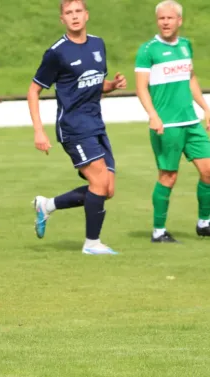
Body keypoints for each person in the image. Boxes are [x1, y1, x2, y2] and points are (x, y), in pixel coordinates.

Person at [27, 0, 127, 255]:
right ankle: (92, 244)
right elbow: (34, 90)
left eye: (78, 11)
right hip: (73, 127)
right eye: (68, 13)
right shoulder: (57, 52)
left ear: (86, 15)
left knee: (107, 189)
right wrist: (39, 131)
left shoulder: (97, 44)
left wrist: (112, 85)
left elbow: (93, 82)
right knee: (99, 181)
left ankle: (47, 206)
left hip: (96, 125)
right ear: (62, 19)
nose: (74, 16)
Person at [135, 0, 210, 243]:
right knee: (168, 177)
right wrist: (153, 115)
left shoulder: (186, 46)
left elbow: (191, 79)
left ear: (179, 21)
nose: (165, 22)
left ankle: (204, 223)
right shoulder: (148, 50)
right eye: (161, 18)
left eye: (170, 18)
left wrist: (206, 109)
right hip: (166, 125)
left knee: (208, 171)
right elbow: (141, 88)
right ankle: (158, 231)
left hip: (191, 122)